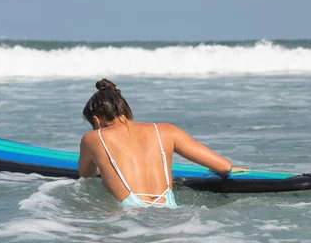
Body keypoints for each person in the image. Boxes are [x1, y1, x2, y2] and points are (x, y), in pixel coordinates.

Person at [79, 78, 246, 208]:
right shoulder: (166, 131)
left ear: (96, 120)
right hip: (168, 211)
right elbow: (224, 167)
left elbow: (87, 175)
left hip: (130, 219)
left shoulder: (93, 138)